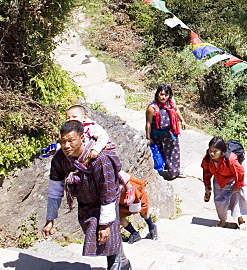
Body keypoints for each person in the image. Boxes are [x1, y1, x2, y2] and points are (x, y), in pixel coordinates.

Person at [42, 119, 130, 270]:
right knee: (97, 236)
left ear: (82, 138)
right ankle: (124, 263)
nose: (66, 146)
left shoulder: (100, 160)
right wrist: (50, 219)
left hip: (106, 201)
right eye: (63, 142)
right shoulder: (60, 159)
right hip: (85, 203)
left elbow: (108, 194)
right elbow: (55, 190)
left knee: (107, 236)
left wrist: (105, 224)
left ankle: (117, 265)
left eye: (71, 141)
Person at [201, 137, 247, 230]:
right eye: (210, 150)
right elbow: (206, 171)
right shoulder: (207, 158)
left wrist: (238, 185)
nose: (212, 153)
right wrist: (207, 185)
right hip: (218, 181)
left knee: (236, 202)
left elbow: (239, 172)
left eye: (215, 151)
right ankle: (222, 221)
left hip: (232, 181)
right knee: (219, 202)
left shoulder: (230, 159)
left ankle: (241, 221)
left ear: (222, 151)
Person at [145, 84, 183, 179]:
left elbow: (176, 110)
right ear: (157, 94)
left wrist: (182, 120)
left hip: (170, 133)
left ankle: (174, 172)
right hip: (157, 135)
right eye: (161, 94)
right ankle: (160, 172)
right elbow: (148, 123)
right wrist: (148, 136)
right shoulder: (152, 108)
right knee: (160, 153)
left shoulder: (171, 104)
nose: (163, 97)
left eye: (166, 95)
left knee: (173, 153)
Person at [119, 175, 157, 243]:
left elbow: (137, 198)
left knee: (144, 213)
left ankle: (152, 228)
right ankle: (134, 234)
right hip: (122, 201)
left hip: (136, 197)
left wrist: (134, 209)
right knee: (121, 218)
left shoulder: (128, 184)